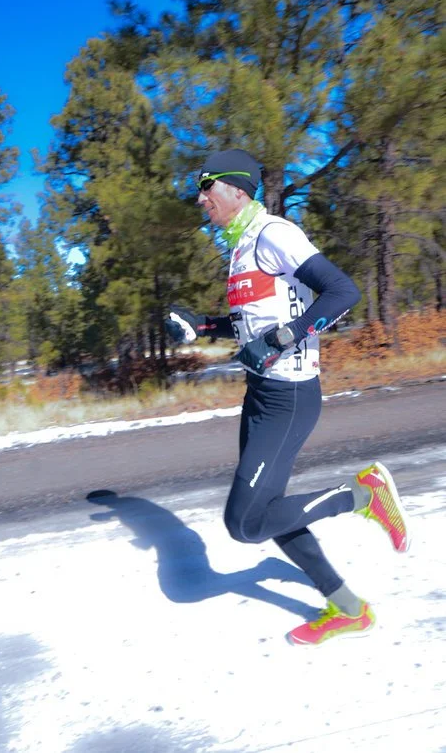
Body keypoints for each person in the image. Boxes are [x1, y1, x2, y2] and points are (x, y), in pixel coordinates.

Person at [165, 148, 411, 646]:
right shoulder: (241, 246)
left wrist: (282, 339)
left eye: (207, 187)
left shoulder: (274, 233)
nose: (200, 198)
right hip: (261, 394)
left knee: (244, 522)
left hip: (290, 396)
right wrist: (203, 325)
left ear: (237, 190)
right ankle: (349, 609)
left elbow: (342, 293)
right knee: (269, 510)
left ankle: (364, 494)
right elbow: (252, 324)